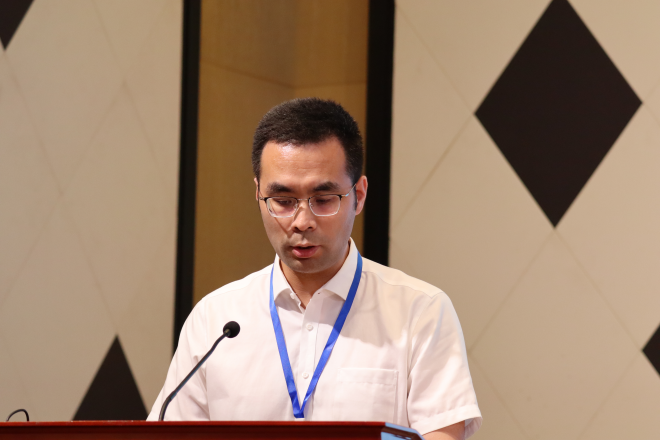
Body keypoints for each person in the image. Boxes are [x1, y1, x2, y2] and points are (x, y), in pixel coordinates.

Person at [148, 98, 482, 439]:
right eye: (283, 201)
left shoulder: (419, 312)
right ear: (258, 194)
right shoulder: (215, 319)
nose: (302, 221)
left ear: (359, 195)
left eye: (323, 200)